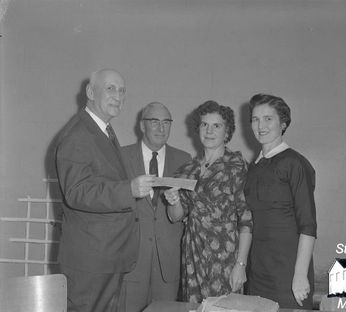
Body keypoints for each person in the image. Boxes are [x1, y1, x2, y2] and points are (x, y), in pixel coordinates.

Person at [55, 69, 155, 312]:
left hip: (106, 256)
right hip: (92, 262)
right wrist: (129, 189)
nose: (118, 96)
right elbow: (77, 191)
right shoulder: (79, 133)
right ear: (90, 92)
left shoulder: (102, 131)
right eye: (110, 88)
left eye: (122, 91)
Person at [164, 100, 252, 303]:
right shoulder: (188, 170)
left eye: (217, 126)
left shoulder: (237, 166)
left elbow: (246, 219)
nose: (209, 131)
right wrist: (174, 201)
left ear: (227, 131)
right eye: (205, 124)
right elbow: (175, 216)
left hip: (225, 259)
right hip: (193, 257)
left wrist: (241, 265)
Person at [244, 93, 317, 309]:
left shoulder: (295, 163)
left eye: (268, 119)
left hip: (288, 270)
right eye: (255, 119)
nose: (261, 125)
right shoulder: (255, 166)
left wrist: (300, 275)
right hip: (258, 268)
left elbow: (308, 225)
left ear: (283, 123)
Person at [119, 102, 191, 312]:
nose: (161, 128)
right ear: (142, 126)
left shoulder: (184, 160)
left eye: (166, 122)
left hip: (167, 265)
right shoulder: (121, 157)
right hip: (131, 262)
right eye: (154, 121)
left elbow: (182, 213)